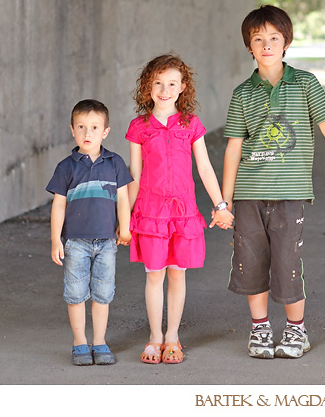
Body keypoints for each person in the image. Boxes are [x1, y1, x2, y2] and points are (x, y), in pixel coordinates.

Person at [222, 5, 325, 360]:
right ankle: (259, 328)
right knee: (251, 262)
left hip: (290, 194)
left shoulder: (305, 83)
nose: (266, 45)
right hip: (248, 194)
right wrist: (223, 201)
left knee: (288, 263)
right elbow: (233, 148)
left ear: (286, 42)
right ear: (249, 46)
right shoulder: (243, 93)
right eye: (258, 39)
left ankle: (296, 330)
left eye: (273, 38)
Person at [126, 54, 234, 365]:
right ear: (148, 86)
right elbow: (133, 174)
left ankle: (172, 336)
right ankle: (154, 337)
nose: (164, 89)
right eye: (158, 83)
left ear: (182, 87)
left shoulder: (191, 125)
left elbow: (204, 167)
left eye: (172, 83)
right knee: (154, 275)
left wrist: (221, 205)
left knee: (177, 274)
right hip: (150, 211)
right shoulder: (139, 126)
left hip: (183, 212)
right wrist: (123, 217)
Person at [47, 99, 133, 366]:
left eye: (94, 127)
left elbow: (123, 199)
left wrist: (125, 228)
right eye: (81, 127)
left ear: (105, 132)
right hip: (75, 242)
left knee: (102, 293)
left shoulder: (115, 163)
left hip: (107, 240)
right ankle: (79, 343)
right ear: (72, 130)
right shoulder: (66, 167)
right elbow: (58, 205)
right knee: (75, 293)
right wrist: (55, 240)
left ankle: (99, 341)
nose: (88, 133)